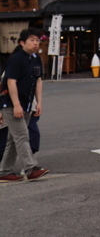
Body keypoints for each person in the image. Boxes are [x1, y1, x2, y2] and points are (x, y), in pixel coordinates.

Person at [0, 28, 47, 182]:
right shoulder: (16, 59)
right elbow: (10, 82)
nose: (35, 43)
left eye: (37, 40)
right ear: (22, 43)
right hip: (12, 105)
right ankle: (31, 168)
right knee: (22, 136)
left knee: (13, 140)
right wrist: (16, 105)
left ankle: (4, 172)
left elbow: (38, 81)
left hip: (27, 104)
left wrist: (39, 102)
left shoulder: (36, 58)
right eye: (32, 40)